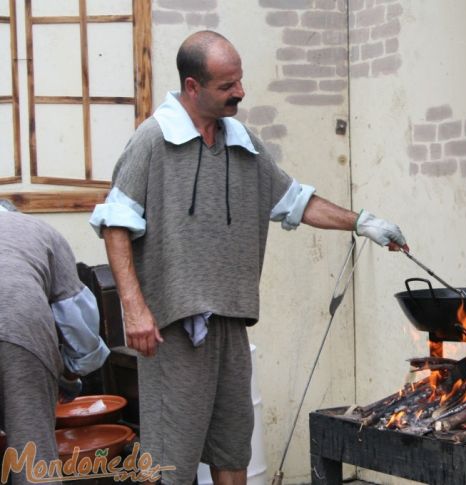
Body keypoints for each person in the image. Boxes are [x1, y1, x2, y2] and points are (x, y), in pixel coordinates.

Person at [89, 30, 407, 484]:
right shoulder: (152, 140)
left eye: (239, 81)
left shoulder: (243, 143)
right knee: (169, 463)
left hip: (231, 321)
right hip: (172, 330)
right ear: (193, 87)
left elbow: (295, 200)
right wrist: (135, 309)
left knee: (233, 448)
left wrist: (363, 222)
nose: (240, 92)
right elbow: (115, 223)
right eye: (226, 86)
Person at [0, 200, 110, 485]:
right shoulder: (39, 230)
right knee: (32, 452)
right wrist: (73, 373)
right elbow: (77, 319)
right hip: (19, 325)